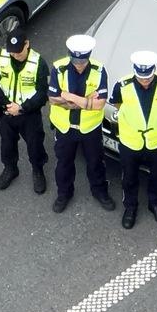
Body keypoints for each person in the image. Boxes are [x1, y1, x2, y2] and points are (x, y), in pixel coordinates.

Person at [111, 50, 157, 229]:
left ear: (154, 70)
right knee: (129, 177)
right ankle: (130, 207)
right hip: (130, 141)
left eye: (148, 77)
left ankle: (155, 204)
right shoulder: (122, 85)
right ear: (135, 72)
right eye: (141, 78)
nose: (145, 80)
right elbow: (118, 104)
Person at [48, 34, 114, 214]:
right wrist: (86, 100)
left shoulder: (99, 71)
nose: (79, 64)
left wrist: (68, 96)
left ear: (89, 56)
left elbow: (100, 104)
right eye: (75, 60)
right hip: (65, 127)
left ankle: (100, 191)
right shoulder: (59, 68)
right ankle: (64, 194)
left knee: (95, 162)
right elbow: (53, 99)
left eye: (82, 61)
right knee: (64, 163)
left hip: (90, 128)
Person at [0, 28, 48, 194]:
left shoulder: (39, 63)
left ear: (27, 44)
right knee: (7, 144)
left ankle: (38, 170)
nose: (15, 55)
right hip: (6, 111)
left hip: (29, 114)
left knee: (35, 144)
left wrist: (21, 108)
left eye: (18, 51)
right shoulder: (1, 57)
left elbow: (42, 94)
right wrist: (5, 104)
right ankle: (10, 168)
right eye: (12, 52)